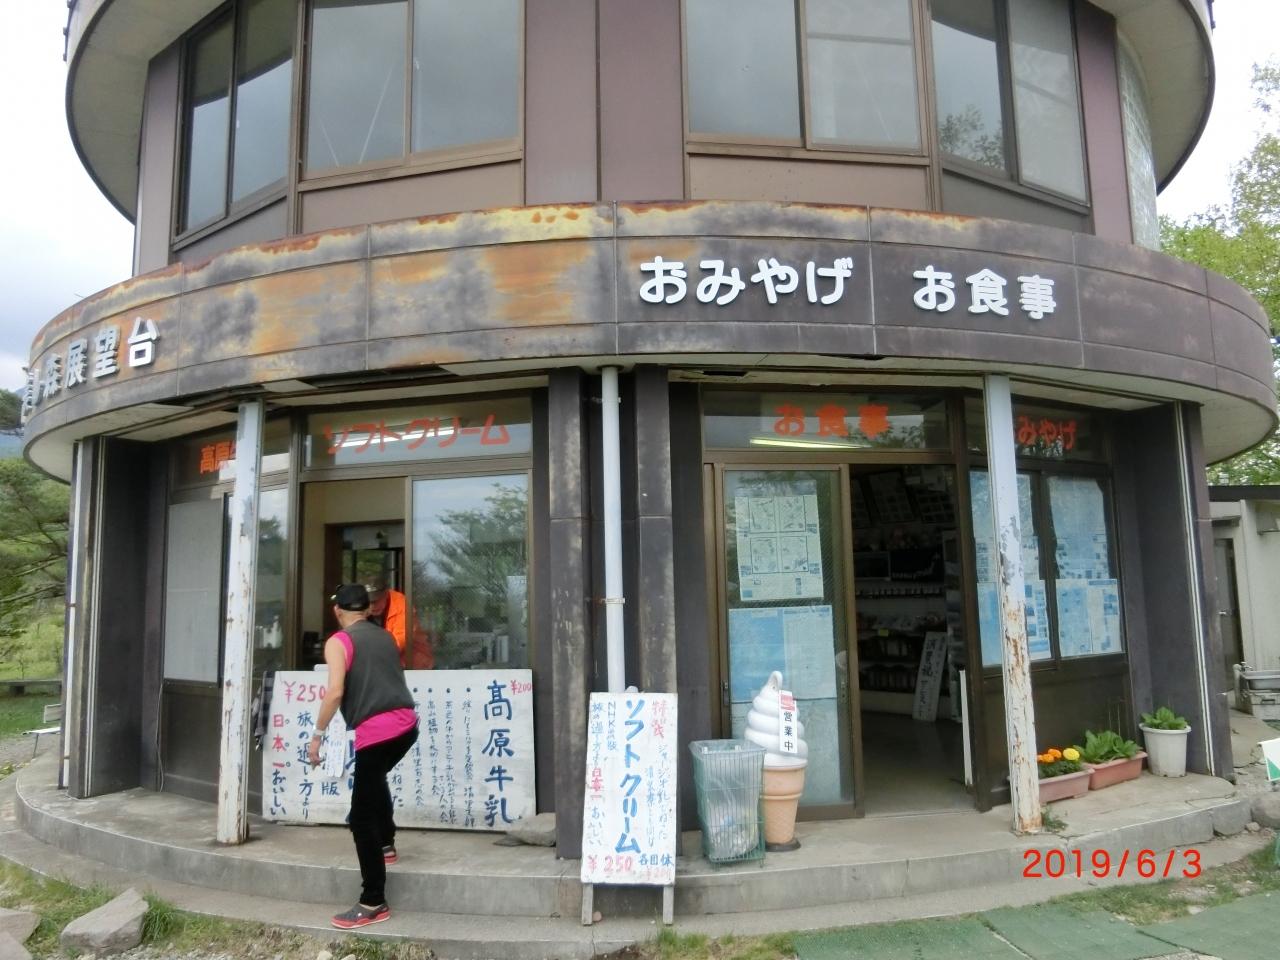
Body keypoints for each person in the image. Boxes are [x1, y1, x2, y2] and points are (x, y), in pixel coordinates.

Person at [308, 583, 419, 929]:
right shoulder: (385, 636)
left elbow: (335, 692)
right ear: (369, 610)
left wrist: (317, 736)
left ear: (337, 611)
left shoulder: (338, 641)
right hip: (407, 726)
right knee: (373, 782)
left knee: (359, 817)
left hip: (378, 733)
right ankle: (386, 843)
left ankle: (373, 901)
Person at [364, 576, 435, 669]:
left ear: (386, 594)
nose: (372, 606)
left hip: (413, 666)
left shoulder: (401, 605)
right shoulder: (359, 606)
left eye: (376, 601)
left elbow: (400, 641)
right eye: (369, 602)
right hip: (385, 665)